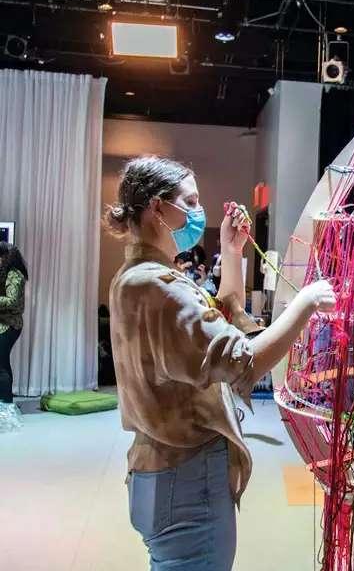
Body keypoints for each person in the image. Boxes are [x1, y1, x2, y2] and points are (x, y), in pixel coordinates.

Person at [105, 156, 335, 570]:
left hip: (158, 475)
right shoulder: (159, 287)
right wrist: (306, 303)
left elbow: (218, 323)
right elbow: (243, 363)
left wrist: (231, 253)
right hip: (186, 481)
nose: (198, 211)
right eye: (190, 201)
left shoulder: (137, 277)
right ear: (158, 208)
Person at [0, 242, 27, 404]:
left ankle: (6, 403)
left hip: (10, 325)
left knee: (1, 365)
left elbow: (12, 301)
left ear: (6, 257)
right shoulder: (5, 273)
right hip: (3, 324)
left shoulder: (15, 275)